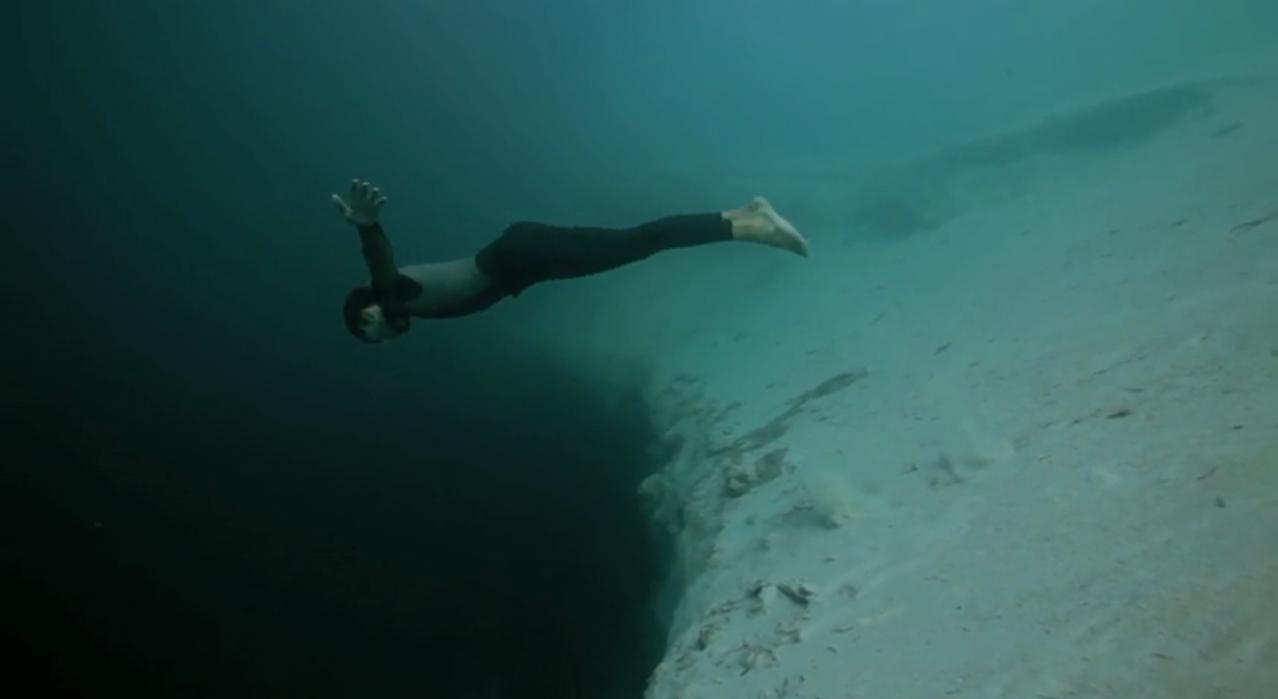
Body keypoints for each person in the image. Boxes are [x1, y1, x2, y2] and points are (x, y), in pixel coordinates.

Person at [334, 179, 809, 344]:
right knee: (637, 242)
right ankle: (743, 219)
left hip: (520, 256)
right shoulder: (401, 301)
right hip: (524, 258)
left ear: (369, 314)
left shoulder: (390, 293)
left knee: (638, 242)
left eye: (370, 334)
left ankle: (751, 226)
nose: (383, 338)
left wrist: (367, 226)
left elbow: (380, 264)